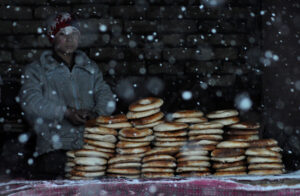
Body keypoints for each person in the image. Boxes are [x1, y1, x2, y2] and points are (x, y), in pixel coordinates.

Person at [19, 12, 115, 179]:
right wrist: (65, 112)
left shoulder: (90, 68)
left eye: (74, 33)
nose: (69, 39)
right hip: (53, 150)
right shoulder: (37, 70)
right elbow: (30, 101)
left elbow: (106, 95)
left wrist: (96, 115)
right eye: (62, 34)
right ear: (52, 38)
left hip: (90, 149)